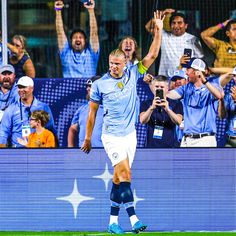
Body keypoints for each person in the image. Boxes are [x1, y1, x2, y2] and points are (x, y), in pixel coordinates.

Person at [81, 10, 164, 234]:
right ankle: (134, 219)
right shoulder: (100, 84)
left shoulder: (133, 74)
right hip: (111, 136)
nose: (113, 67)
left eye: (117, 64)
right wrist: (88, 138)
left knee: (120, 179)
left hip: (130, 135)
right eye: (111, 63)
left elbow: (153, 54)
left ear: (125, 63)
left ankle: (112, 223)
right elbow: (91, 114)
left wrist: (159, 28)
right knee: (125, 174)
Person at [167, 58, 222, 147]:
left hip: (204, 140)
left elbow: (218, 96)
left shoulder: (212, 86)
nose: (186, 73)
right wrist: (155, 86)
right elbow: (170, 95)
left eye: (188, 69)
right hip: (186, 139)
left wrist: (204, 80)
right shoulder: (186, 88)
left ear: (196, 71)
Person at [0, 76, 56, 147]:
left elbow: (51, 130)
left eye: (24, 87)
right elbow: (3, 133)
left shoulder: (43, 107)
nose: (21, 90)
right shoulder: (11, 109)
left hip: (38, 151)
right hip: (17, 153)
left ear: (32, 88)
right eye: (19, 87)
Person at [146, 10, 203, 77]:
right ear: (170, 25)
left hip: (184, 79)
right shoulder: (163, 36)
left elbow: (200, 60)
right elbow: (148, 27)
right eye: (173, 23)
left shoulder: (193, 39)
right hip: (165, 79)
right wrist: (163, 13)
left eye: (179, 23)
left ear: (186, 25)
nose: (176, 26)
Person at [54, 0, 99, 78]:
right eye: (75, 37)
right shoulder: (66, 54)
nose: (78, 39)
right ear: (70, 42)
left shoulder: (92, 54)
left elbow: (94, 33)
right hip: (70, 89)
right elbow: (60, 32)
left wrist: (91, 10)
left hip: (89, 89)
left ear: (85, 41)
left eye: (81, 37)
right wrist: (58, 11)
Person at [140, 75, 183, 148]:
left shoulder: (176, 103)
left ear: (167, 88)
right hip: (151, 146)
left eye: (162, 87)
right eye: (156, 87)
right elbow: (142, 120)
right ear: (153, 88)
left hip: (170, 146)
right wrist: (151, 108)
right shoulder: (146, 103)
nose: (159, 89)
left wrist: (168, 109)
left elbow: (178, 121)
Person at [67, 76, 103, 147]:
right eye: (87, 87)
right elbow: (73, 129)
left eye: (91, 86)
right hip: (83, 155)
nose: (88, 88)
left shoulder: (111, 110)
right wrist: (70, 148)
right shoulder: (81, 110)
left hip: (103, 153)